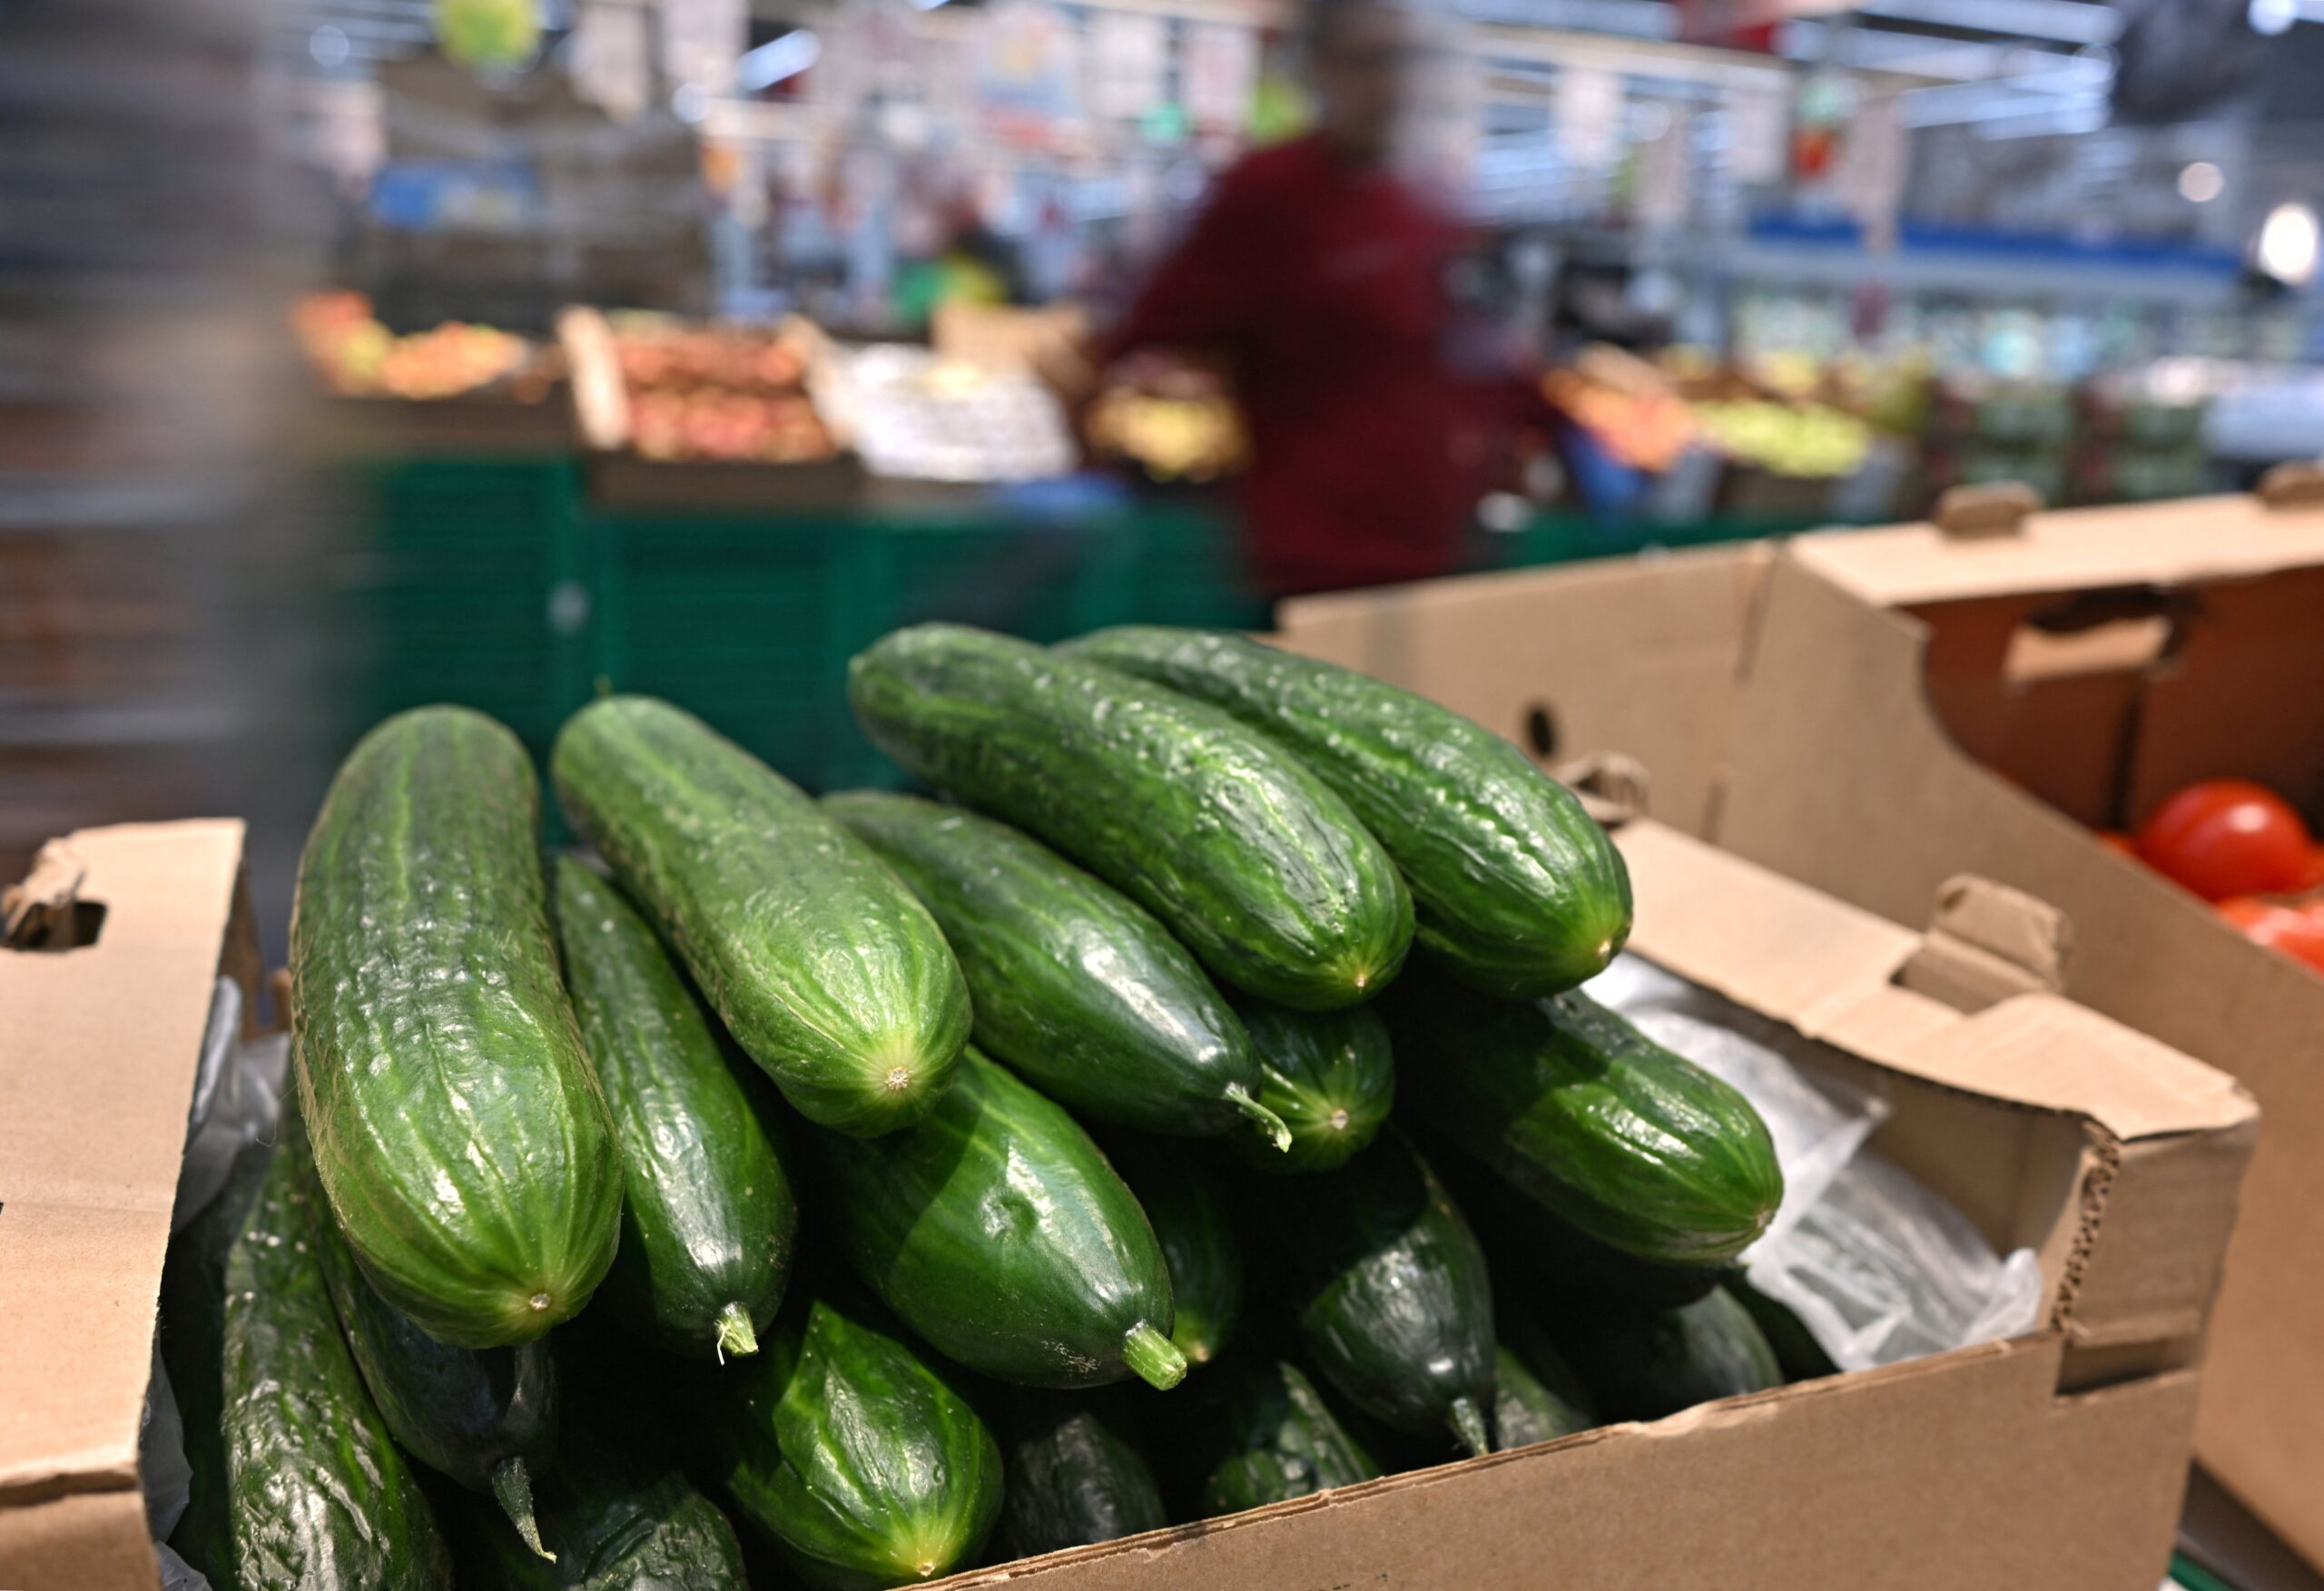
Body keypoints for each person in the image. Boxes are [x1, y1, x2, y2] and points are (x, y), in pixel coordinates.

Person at [1091, 0, 1521, 599]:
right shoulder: (1269, 195)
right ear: (1320, 68)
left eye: (1410, 59)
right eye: (1372, 60)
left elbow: (1462, 358)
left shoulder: (1425, 200)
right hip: (1317, 555)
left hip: (1435, 545)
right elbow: (1148, 332)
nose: (1394, 82)